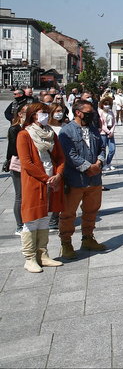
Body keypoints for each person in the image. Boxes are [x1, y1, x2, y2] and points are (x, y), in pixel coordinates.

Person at [17, 104, 66, 272]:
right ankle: (29, 257)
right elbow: (27, 163)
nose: (46, 115)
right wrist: (46, 179)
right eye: (42, 112)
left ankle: (42, 254)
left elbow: (60, 157)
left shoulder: (51, 134)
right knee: (32, 218)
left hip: (52, 179)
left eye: (47, 112)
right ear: (33, 115)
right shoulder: (24, 135)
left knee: (45, 217)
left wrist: (58, 174)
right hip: (35, 182)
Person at [57, 99, 108, 260]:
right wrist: (87, 167)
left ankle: (88, 238)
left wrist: (99, 161)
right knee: (68, 213)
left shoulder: (93, 129)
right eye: (87, 112)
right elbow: (69, 154)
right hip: (76, 179)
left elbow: (101, 147)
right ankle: (66, 242)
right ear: (78, 112)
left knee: (92, 210)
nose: (91, 114)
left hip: (94, 180)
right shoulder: (67, 131)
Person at [4, 107, 28, 235]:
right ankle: (20, 225)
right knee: (20, 195)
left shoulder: (31, 127)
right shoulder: (15, 129)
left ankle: (28, 220)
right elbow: (13, 150)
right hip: (18, 164)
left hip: (30, 164)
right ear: (19, 114)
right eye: (26, 112)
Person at [97, 97, 117, 172]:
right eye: (105, 104)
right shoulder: (100, 112)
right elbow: (101, 124)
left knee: (112, 149)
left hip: (110, 131)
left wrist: (111, 131)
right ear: (102, 105)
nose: (107, 106)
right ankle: (103, 164)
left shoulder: (111, 112)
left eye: (108, 104)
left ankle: (108, 163)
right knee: (103, 149)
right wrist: (108, 132)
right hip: (103, 132)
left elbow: (114, 122)